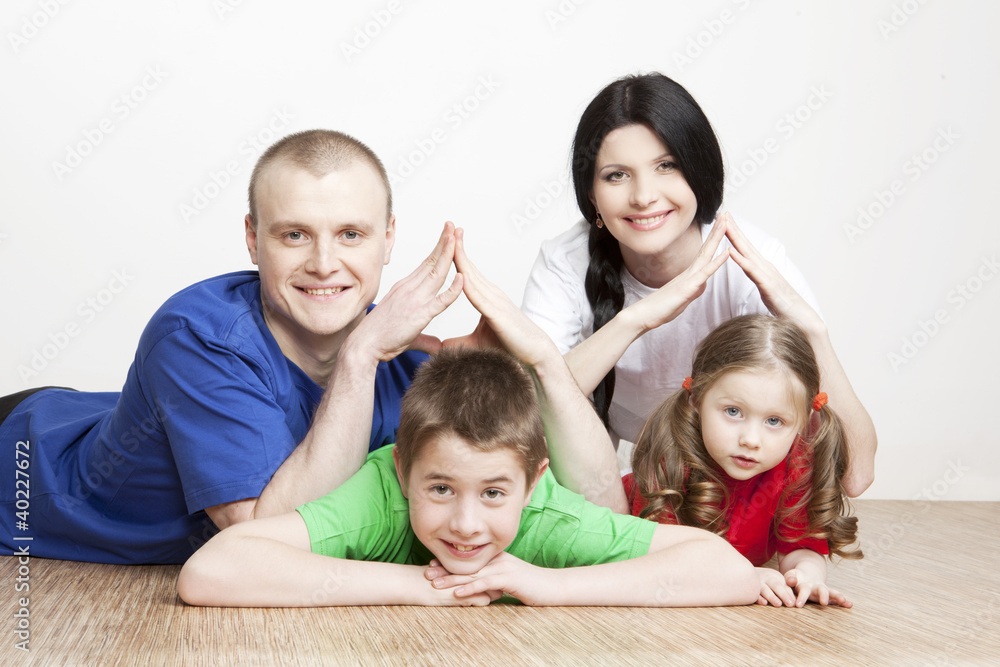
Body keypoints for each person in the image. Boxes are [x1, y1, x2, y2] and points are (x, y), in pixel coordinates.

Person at [177, 235, 759, 608]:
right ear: (404, 472)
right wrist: (420, 587)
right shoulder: (385, 494)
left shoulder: (545, 516)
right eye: (439, 487)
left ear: (532, 484)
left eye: (494, 492)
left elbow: (728, 571)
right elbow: (211, 570)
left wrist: (548, 586)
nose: (465, 521)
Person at [0, 130, 465, 564]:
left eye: (350, 235)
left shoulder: (407, 360)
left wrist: (527, 365)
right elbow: (264, 540)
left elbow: (495, 494)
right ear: (252, 239)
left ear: (387, 239)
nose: (324, 264)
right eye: (294, 235)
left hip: (84, 412)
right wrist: (359, 357)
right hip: (21, 465)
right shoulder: (196, 336)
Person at [521, 72, 876, 497]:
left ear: (699, 172)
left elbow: (855, 475)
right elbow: (525, 418)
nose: (644, 196)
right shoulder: (565, 262)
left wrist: (814, 332)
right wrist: (636, 319)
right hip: (603, 471)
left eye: (666, 166)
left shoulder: (750, 261)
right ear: (592, 195)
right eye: (617, 175)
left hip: (722, 479)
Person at [625, 314, 862, 608]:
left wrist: (806, 575)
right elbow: (660, 561)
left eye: (774, 420)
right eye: (733, 412)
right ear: (697, 400)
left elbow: (799, 548)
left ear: (803, 422)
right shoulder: (670, 458)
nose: (751, 439)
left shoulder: (796, 468)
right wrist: (745, 577)